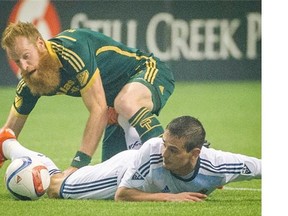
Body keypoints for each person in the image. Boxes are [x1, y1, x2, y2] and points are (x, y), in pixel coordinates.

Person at [0, 21, 175, 174]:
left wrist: (77, 166)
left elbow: (98, 109)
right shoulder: (30, 82)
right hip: (115, 107)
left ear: (40, 44)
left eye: (26, 56)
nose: (23, 66)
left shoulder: (72, 49)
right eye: (17, 61)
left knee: (125, 102)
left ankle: (171, 161)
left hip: (148, 70)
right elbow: (8, 134)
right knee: (113, 173)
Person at [0, 116, 261, 201]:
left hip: (141, 172)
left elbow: (264, 167)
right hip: (122, 173)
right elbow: (123, 194)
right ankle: (9, 144)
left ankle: (7, 143)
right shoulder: (153, 151)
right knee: (55, 187)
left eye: (173, 151)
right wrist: (172, 198)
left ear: (195, 153)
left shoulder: (220, 165)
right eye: (164, 145)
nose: (164, 154)